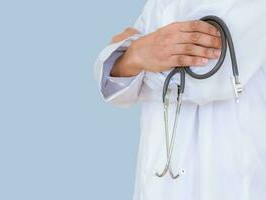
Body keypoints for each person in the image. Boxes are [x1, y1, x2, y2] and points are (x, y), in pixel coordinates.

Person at [94, 0, 266, 199]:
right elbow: (115, 82)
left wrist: (134, 56)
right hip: (159, 179)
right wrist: (134, 56)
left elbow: (206, 78)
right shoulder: (156, 4)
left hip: (228, 177)